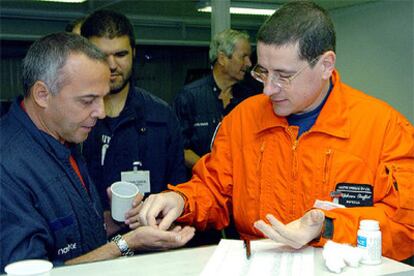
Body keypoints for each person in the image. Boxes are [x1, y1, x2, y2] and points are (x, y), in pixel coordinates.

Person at [138, 1, 414, 262]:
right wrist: (181, 199)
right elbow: (214, 188)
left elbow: (406, 224)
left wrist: (326, 228)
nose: (268, 89)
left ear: (326, 65)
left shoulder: (385, 128)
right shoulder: (244, 119)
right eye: (262, 72)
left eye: (283, 75)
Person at [0, 32, 194, 272]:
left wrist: (116, 220)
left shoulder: (64, 140)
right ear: (42, 94)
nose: (101, 112)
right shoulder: (7, 167)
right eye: (87, 100)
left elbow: (74, 235)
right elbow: (33, 272)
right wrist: (125, 244)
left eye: (102, 98)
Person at [80, 10, 188, 236]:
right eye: (101, 55)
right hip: (91, 251)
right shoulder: (71, 119)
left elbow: (179, 190)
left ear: (133, 53)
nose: (111, 65)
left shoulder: (161, 116)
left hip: (150, 250)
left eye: (120, 54)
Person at [173, 29, 253, 169]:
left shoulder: (248, 99)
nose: (249, 63)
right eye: (243, 57)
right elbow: (179, 148)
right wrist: (211, 171)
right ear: (222, 58)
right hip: (198, 183)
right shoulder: (189, 97)